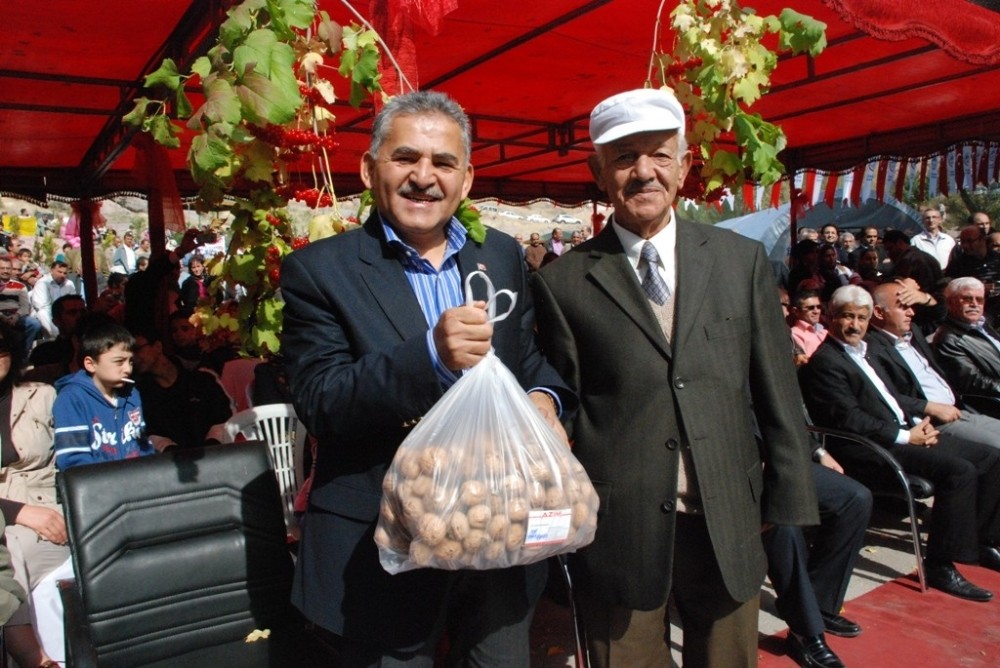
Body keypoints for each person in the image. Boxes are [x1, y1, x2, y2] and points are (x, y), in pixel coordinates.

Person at [279, 90, 574, 664]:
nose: (424, 177)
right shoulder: (320, 271)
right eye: (405, 158)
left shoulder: (502, 256)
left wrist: (544, 399)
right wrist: (430, 357)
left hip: (498, 535)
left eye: (443, 163)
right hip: (381, 549)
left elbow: (528, 361)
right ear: (370, 169)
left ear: (466, 179)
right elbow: (320, 399)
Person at [532, 87, 817, 668]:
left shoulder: (740, 262)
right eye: (624, 157)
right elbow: (563, 400)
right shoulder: (564, 283)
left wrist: (789, 495)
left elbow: (776, 389)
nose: (644, 172)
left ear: (684, 167)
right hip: (622, 528)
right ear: (597, 171)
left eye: (660, 155)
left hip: (728, 516)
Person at [799, 285, 1000, 601]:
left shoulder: (867, 352)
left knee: (990, 457)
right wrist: (909, 436)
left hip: (902, 433)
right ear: (830, 317)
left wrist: (919, 423)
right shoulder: (827, 362)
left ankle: (983, 540)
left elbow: (892, 398)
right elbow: (850, 419)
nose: (855, 325)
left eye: (862, 318)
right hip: (866, 448)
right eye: (847, 317)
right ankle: (939, 565)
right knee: (958, 471)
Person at [0, 321, 68, 667]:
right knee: (10, 551)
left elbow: (69, 460)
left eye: (1, 349)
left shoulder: (41, 395)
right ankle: (35, 659)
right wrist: (19, 512)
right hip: (10, 518)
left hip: (50, 506)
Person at [52, 321, 153, 470]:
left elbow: (143, 447)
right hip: (95, 486)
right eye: (119, 362)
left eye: (130, 361)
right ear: (90, 364)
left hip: (135, 483)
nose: (127, 369)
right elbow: (72, 458)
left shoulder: (132, 394)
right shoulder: (71, 398)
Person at [131, 328, 234, 450]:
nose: (133, 357)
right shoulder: (139, 394)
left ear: (158, 346)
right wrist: (173, 452)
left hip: (217, 456)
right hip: (170, 463)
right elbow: (149, 433)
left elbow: (226, 416)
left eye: (137, 349)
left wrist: (212, 446)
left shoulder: (201, 377)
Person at [933, 277, 1000, 397]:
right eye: (967, 299)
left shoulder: (982, 324)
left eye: (979, 300)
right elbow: (973, 382)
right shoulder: (948, 339)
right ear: (950, 303)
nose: (974, 304)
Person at [946, 225, 1000, 325]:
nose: (965, 246)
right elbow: (948, 288)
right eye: (962, 242)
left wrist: (995, 288)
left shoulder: (997, 259)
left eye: (970, 241)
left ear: (983, 240)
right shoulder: (958, 264)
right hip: (973, 314)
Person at [0, 254, 43, 354]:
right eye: (2, 268)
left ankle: (23, 353)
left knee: (34, 324)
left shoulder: (20, 286)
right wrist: (2, 317)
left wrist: (16, 316)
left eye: (8, 268)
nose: (5, 271)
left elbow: (25, 306)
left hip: (16, 316)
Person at [28, 260, 77, 339]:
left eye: (65, 273)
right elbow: (41, 306)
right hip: (45, 314)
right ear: (51, 270)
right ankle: (57, 336)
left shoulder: (69, 284)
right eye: (59, 272)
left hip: (63, 313)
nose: (62, 275)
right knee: (42, 313)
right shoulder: (42, 283)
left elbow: (73, 302)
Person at [910, 206, 955, 271]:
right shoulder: (916, 241)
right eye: (927, 218)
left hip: (947, 276)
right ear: (923, 221)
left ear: (940, 220)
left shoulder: (948, 240)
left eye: (934, 217)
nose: (931, 220)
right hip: (927, 277)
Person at [789, 288, 827, 361]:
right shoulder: (794, 334)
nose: (816, 311)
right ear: (796, 311)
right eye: (810, 308)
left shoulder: (825, 331)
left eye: (819, 307)